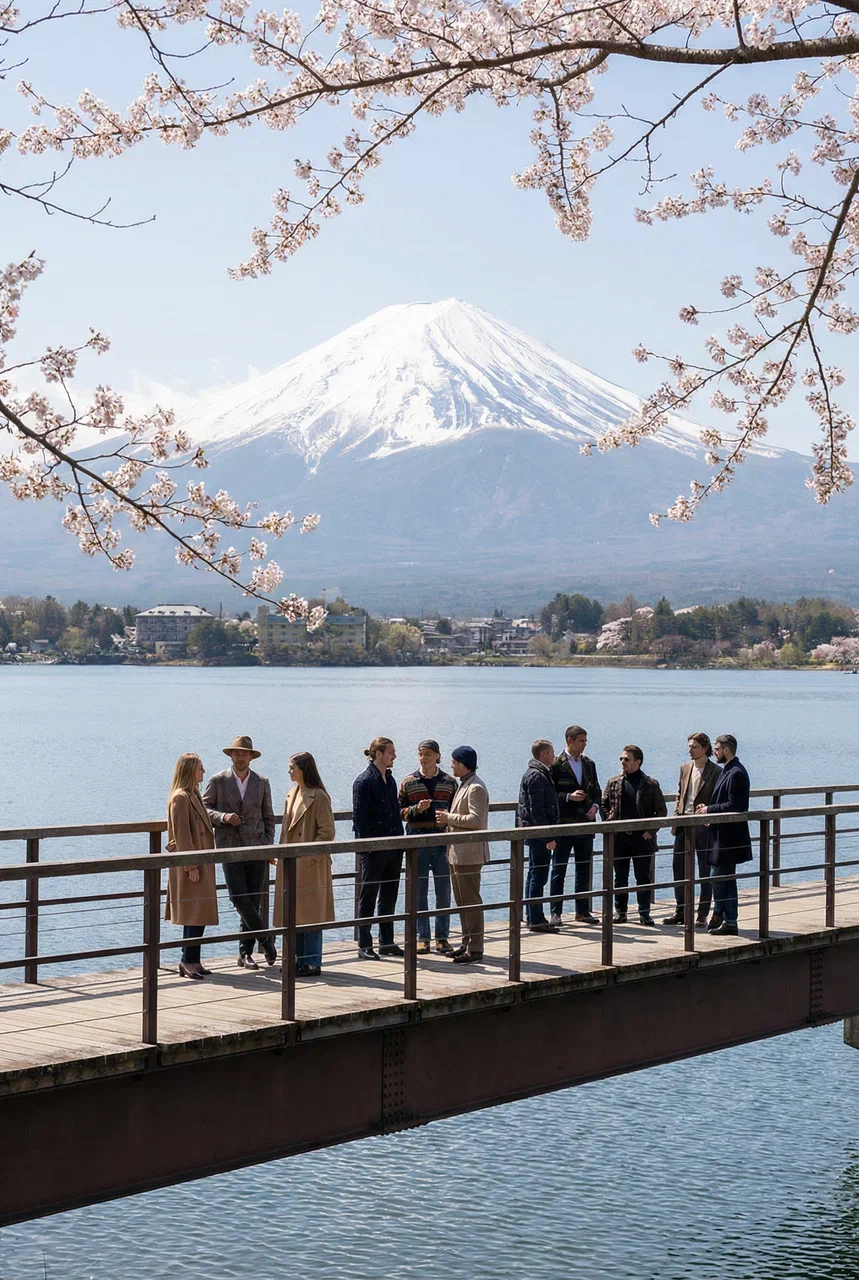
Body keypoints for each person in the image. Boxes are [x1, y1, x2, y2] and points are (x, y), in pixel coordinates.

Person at [203, 734, 277, 969]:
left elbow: (269, 817)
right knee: (238, 898)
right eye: (237, 753)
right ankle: (266, 938)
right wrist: (223, 817)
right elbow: (204, 809)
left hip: (256, 849)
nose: (240, 757)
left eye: (244, 753)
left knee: (252, 901)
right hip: (229, 848)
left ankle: (245, 953)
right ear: (231, 755)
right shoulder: (218, 781)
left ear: (251, 757)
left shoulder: (262, 782)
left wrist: (267, 845)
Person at [274, 752, 336, 976]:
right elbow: (285, 831)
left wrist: (309, 857)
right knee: (294, 915)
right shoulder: (292, 794)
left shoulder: (319, 796)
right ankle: (296, 960)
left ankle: (311, 963)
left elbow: (327, 832)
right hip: (290, 864)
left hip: (310, 866)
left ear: (304, 769)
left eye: (293, 767)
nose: (289, 771)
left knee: (310, 915)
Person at [398, 740, 457, 955]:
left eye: (429, 754)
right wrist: (415, 809)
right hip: (417, 842)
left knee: (443, 891)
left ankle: (442, 938)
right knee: (419, 892)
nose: (424, 757)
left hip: (442, 842)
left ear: (438, 756)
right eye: (421, 753)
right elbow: (398, 811)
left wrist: (448, 821)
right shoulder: (408, 782)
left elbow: (455, 810)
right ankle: (422, 938)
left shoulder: (450, 782)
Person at [165, 752, 219, 980]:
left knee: (199, 913)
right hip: (191, 865)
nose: (203, 772)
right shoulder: (180, 798)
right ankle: (187, 960)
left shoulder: (193, 795)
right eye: (200, 769)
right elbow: (182, 835)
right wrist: (191, 866)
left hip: (202, 861)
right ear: (189, 771)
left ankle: (194, 959)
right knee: (193, 913)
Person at [602, 745, 667, 927]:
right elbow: (603, 803)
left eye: (627, 759)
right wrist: (609, 818)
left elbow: (661, 811)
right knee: (620, 877)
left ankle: (644, 913)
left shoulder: (651, 784)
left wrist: (651, 830)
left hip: (642, 839)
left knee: (643, 877)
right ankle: (620, 912)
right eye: (621, 759)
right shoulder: (613, 782)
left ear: (638, 762)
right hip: (620, 838)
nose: (623, 762)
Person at [435, 746, 490, 964]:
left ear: (464, 763)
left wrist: (449, 818)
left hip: (470, 853)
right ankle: (467, 943)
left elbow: (476, 821)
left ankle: (475, 948)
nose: (451, 765)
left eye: (454, 762)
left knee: (471, 901)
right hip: (459, 853)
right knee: (462, 901)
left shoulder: (476, 787)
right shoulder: (465, 784)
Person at [353, 737, 405, 960]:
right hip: (374, 849)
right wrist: (368, 848)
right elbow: (359, 820)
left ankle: (386, 940)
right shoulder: (364, 781)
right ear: (378, 754)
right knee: (369, 895)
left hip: (393, 847)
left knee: (389, 894)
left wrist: (399, 842)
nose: (394, 756)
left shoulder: (390, 780)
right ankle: (364, 943)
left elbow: (395, 810)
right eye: (391, 752)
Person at [696, 734, 752, 936]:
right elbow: (723, 800)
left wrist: (710, 810)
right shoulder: (728, 770)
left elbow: (736, 805)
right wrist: (709, 809)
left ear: (726, 750)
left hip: (729, 837)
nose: (715, 752)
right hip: (723, 834)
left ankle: (725, 917)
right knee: (724, 878)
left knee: (719, 877)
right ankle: (727, 919)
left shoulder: (736, 772)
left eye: (717, 749)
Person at [663, 732, 721, 928]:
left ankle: (702, 913)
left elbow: (717, 798)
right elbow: (680, 794)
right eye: (689, 746)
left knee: (704, 870)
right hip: (683, 824)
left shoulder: (716, 771)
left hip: (704, 826)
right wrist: (675, 818)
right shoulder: (685, 768)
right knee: (678, 867)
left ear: (705, 748)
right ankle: (681, 910)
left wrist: (710, 818)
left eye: (694, 747)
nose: (690, 750)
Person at [549, 725, 602, 925]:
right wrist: (569, 797)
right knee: (559, 869)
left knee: (584, 868)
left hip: (586, 823)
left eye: (585, 741)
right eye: (582, 741)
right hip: (564, 824)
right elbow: (551, 795)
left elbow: (596, 789)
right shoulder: (556, 765)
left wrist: (595, 806)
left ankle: (582, 910)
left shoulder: (589, 764)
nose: (585, 744)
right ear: (570, 740)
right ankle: (556, 912)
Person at [518, 739, 560, 933]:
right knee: (539, 875)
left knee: (533, 874)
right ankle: (536, 918)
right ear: (543, 754)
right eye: (552, 752)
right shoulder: (537, 776)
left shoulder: (537, 773)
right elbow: (537, 811)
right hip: (538, 835)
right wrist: (547, 836)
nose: (554, 755)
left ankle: (531, 915)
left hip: (535, 833)